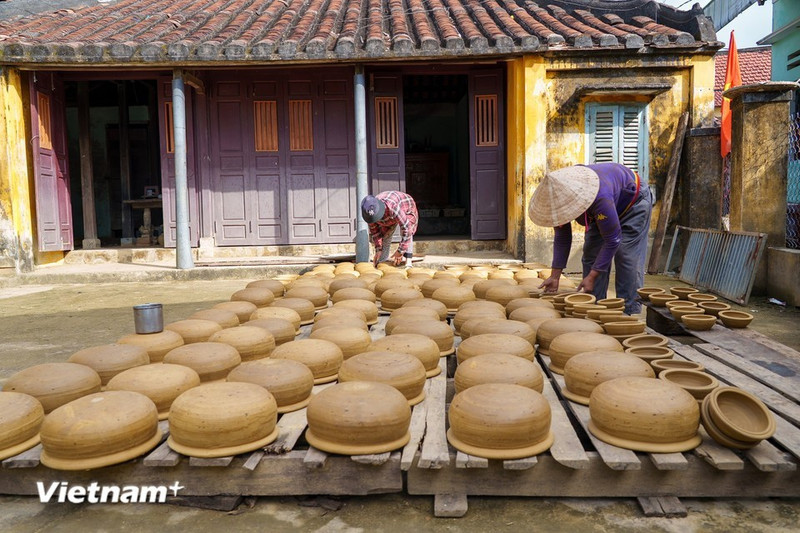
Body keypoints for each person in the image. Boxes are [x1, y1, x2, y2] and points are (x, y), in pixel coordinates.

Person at [527, 163, 652, 315]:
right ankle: (595, 307)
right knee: (592, 254)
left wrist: (592, 276)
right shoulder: (559, 199)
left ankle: (628, 312)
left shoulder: (598, 197)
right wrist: (555, 276)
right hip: (600, 209)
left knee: (625, 255)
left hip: (632, 203)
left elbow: (613, 240)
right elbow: (563, 237)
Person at [360, 191, 419, 267]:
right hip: (388, 216)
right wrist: (378, 250)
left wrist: (400, 251)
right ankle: (382, 260)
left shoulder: (392, 207)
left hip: (406, 205)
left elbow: (407, 229)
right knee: (386, 235)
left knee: (407, 231)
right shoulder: (370, 215)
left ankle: (408, 262)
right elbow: (375, 233)